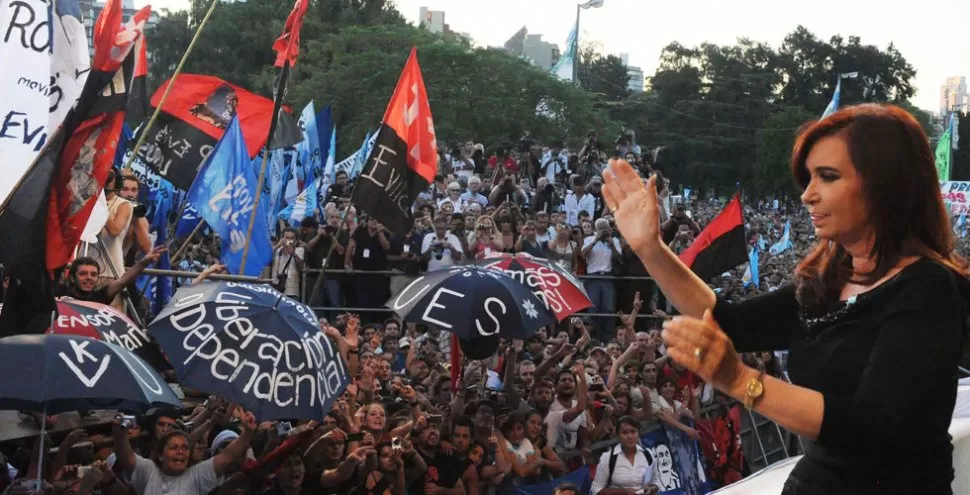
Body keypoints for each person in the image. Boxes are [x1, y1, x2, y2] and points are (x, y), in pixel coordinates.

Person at [602, 104, 970, 494]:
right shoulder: (828, 281)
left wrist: (742, 381)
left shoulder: (928, 289)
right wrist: (651, 249)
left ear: (885, 184)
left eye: (827, 177)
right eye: (808, 178)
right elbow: (731, 323)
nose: (808, 194)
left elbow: (872, 425)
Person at [57, 248, 164, 304]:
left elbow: (122, 281)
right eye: (83, 274)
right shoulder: (60, 295)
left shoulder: (99, 297)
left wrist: (143, 262)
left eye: (93, 274)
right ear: (72, 278)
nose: (89, 277)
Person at [590, 416, 662, 495]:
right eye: (625, 432)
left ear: (638, 433)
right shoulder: (608, 458)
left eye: (633, 431)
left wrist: (651, 488)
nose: (630, 436)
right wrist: (623, 492)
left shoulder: (647, 454)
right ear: (618, 435)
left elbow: (656, 482)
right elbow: (595, 490)